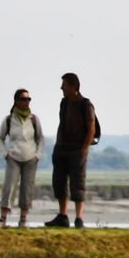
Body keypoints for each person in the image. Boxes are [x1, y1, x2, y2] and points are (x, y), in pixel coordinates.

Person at [43, 72, 97, 228]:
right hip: (62, 148)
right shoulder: (64, 103)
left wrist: (83, 150)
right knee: (59, 182)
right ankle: (63, 215)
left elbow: (91, 129)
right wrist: (57, 146)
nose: (61, 88)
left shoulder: (86, 104)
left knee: (77, 183)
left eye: (64, 85)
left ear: (73, 86)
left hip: (77, 150)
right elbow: (62, 123)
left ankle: (79, 218)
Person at [0, 88, 43, 228]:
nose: (26, 102)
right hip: (13, 157)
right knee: (9, 187)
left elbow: (40, 138)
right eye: (23, 99)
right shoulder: (9, 119)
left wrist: (38, 155)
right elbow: (0, 138)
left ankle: (23, 220)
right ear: (16, 101)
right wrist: (5, 154)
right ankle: (3, 219)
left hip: (30, 158)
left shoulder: (33, 119)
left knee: (27, 188)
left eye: (28, 99)